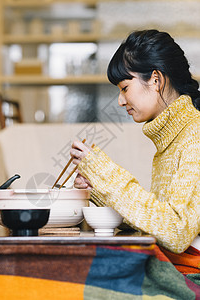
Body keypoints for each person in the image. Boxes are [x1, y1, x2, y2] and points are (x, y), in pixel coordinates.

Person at [70, 30, 200, 270]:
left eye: (125, 88)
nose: (120, 101)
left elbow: (176, 231)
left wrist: (105, 174)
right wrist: (97, 187)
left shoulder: (195, 135)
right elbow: (158, 223)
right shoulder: (173, 137)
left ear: (155, 79)